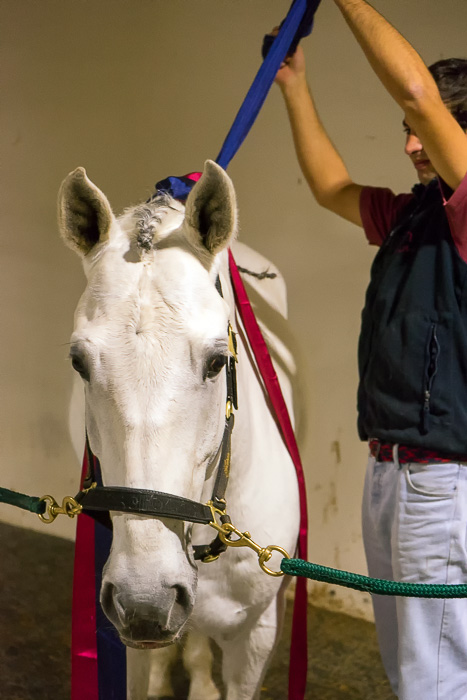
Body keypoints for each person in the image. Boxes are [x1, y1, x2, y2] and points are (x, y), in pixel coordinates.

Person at [274, 1, 467, 698]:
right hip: (388, 468)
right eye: (404, 133)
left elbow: (414, 90)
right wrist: (294, 83)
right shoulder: (413, 214)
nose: (410, 144)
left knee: (436, 679)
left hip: (442, 481)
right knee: (410, 666)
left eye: (422, 132)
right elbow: (331, 187)